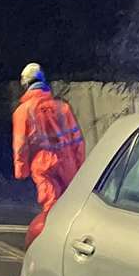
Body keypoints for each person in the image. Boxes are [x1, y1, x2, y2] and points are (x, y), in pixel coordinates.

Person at [12, 63, 85, 220]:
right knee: (71, 204)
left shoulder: (22, 111)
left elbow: (21, 146)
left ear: (25, 84)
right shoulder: (63, 108)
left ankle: (52, 235)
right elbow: (77, 141)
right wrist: (79, 166)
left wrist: (21, 171)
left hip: (42, 163)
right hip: (68, 163)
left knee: (50, 206)